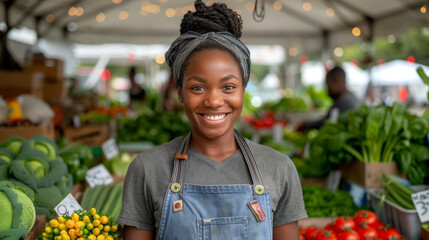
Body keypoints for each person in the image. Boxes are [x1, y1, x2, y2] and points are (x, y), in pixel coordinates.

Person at [116, 1, 307, 239]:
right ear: (179, 92)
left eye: (228, 86)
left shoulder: (279, 168)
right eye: (198, 87)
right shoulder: (147, 169)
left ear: (243, 90)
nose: (214, 101)